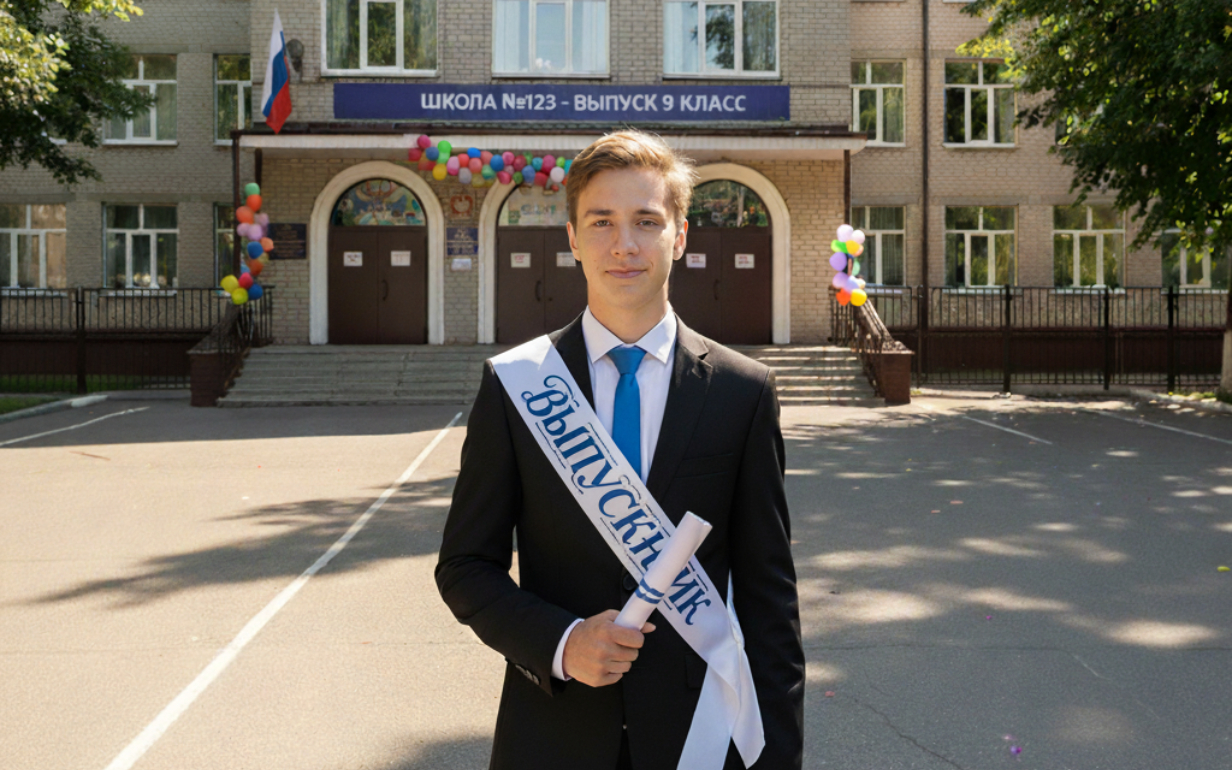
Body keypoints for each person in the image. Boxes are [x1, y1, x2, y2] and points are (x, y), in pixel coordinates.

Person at [435, 129, 804, 770]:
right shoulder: (517, 385)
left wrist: (778, 758)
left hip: (699, 736)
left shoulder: (742, 391)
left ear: (679, 236)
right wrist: (562, 641)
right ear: (573, 239)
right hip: (554, 735)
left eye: (646, 221)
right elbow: (465, 567)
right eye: (601, 221)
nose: (624, 244)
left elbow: (769, 599)